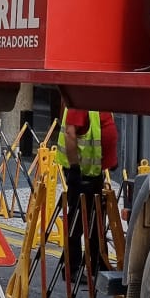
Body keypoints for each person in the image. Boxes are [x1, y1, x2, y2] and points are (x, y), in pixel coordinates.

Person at [54, 105, 119, 279]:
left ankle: (98, 262)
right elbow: (70, 134)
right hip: (81, 172)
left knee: (95, 219)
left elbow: (102, 132)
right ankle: (72, 269)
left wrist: (110, 158)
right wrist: (75, 169)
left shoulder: (97, 101)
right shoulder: (81, 101)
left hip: (93, 171)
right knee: (77, 220)